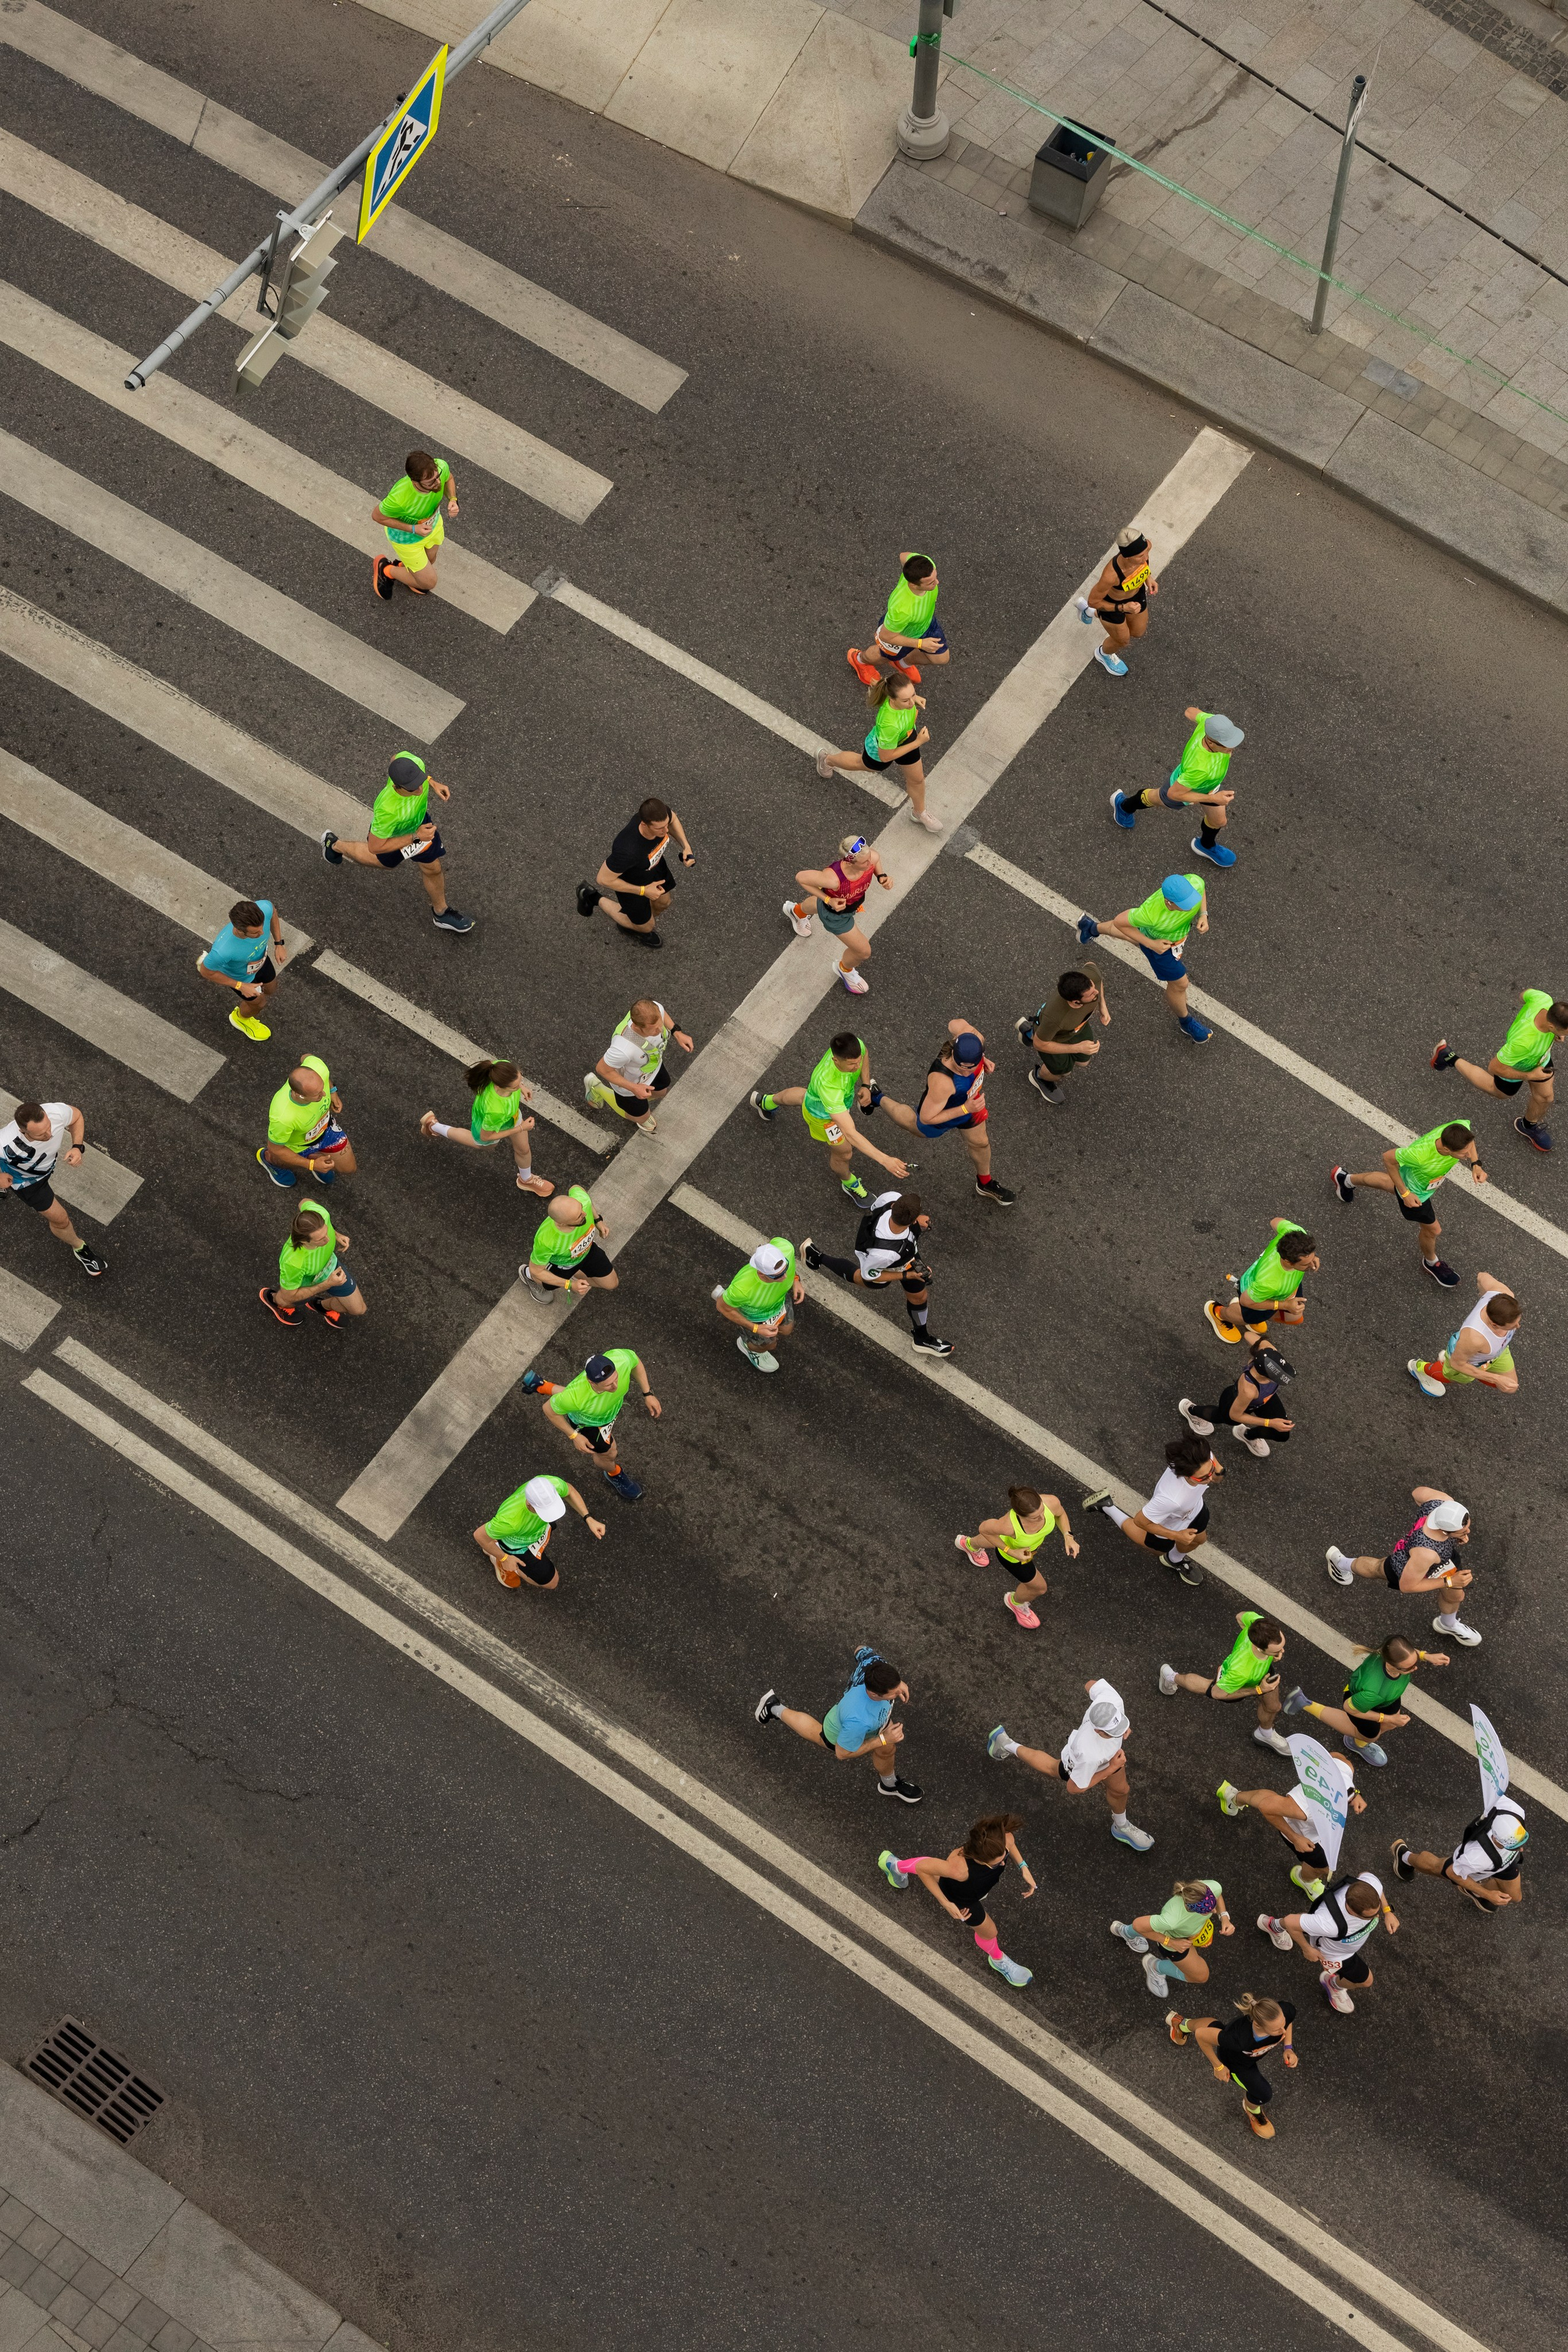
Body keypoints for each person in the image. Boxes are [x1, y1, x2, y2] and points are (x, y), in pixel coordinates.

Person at [987, 1678, 1153, 1849]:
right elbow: (1074, 1788)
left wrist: (1122, 1726)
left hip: (1112, 1759)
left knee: (1121, 1790)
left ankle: (1121, 1826)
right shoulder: (1088, 1754)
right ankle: (1006, 1744)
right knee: (1053, 1768)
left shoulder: (1113, 1700)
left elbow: (1090, 1684)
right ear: (1098, 1731)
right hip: (1083, 1761)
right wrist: (1110, 1769)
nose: (1120, 1733)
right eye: (1114, 1731)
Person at [322, 750, 474, 933]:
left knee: (433, 868)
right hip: (394, 837)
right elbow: (375, 846)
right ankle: (335, 845)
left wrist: (432, 782)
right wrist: (415, 837)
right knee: (381, 862)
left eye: (420, 781)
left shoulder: (413, 763)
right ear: (397, 786)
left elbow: (395, 758)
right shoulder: (387, 809)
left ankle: (441, 913)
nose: (419, 790)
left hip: (420, 826)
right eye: (412, 788)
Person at [750, 1032, 910, 1206]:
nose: (857, 1066)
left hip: (818, 1097)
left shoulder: (853, 1046)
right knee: (845, 1153)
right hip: (824, 1119)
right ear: (836, 1061)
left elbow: (864, 1054)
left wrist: (866, 1084)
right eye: (852, 1064)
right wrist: (885, 1160)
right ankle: (849, 1183)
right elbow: (850, 1133)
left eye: (858, 1061)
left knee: (805, 1096)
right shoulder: (830, 1088)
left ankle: (765, 1102)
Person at [879, 1814, 1035, 1988]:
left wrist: (1024, 1867)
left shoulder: (1002, 1841)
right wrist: (946, 1903)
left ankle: (894, 1866)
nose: (1004, 1861)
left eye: (1003, 1856)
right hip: (962, 1896)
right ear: (981, 1859)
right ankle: (998, 1960)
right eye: (998, 1862)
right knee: (990, 1932)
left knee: (938, 1871)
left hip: (976, 1886)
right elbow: (923, 1870)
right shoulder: (959, 1869)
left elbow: (1010, 1844)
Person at [756, 1644, 921, 1804]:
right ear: (874, 1694)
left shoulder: (874, 1664)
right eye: (894, 1693)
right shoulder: (857, 1720)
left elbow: (861, 1649)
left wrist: (899, 1684)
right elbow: (842, 1754)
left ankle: (889, 1785)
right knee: (818, 1734)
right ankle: (774, 1708)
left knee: (887, 1750)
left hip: (875, 1723)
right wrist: (883, 1739)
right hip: (840, 1731)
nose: (899, 1692)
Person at [1330, 1120, 1486, 1289]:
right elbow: (1388, 1158)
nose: (1468, 1155)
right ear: (1447, 1150)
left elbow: (1470, 1143)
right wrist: (1405, 1193)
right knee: (1433, 1230)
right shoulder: (1420, 1155)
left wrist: (1475, 1164)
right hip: (1416, 1195)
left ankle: (1345, 1180)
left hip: (1414, 1180)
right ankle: (1431, 1263)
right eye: (1464, 1154)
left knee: (1387, 1183)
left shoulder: (1459, 1128)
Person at [874, 1022, 1016, 1207]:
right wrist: (966, 1108)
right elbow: (927, 1117)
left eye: (971, 1068)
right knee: (913, 1123)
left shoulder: (974, 1038)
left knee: (981, 1143)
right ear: (954, 1056)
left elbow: (954, 1023)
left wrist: (984, 1061)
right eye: (961, 1067)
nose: (966, 1072)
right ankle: (876, 1097)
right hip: (942, 1112)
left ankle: (985, 1182)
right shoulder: (942, 1082)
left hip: (969, 1105)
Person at [802, 1188, 954, 1356]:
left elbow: (876, 1209)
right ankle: (816, 1256)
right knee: (860, 1277)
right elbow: (870, 1274)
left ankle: (921, 1338)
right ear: (911, 1223)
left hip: (904, 1257)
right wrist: (907, 1275)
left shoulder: (892, 1198)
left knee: (919, 1296)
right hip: (882, 1265)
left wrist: (917, 1219)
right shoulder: (885, 1254)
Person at [1326, 1488, 1481, 1647]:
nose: (1468, 1532)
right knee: (1377, 1568)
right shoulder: (1425, 1554)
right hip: (1406, 1564)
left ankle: (1447, 1624)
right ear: (1444, 1530)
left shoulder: (1442, 1501)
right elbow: (1407, 1586)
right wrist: (1449, 1581)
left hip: (1443, 1560)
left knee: (1456, 1596)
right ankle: (1339, 1563)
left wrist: (1456, 1537)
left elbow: (1417, 1493)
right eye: (1463, 1531)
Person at [1077, 875, 1212, 1044]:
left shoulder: (1195, 884)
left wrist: (1203, 914)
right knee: (1180, 984)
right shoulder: (1149, 914)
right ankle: (1186, 1022)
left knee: (1134, 936)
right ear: (1169, 902)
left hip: (1174, 935)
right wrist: (1152, 944)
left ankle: (1090, 928)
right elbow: (1120, 922)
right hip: (1161, 948)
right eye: (1185, 905)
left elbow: (1201, 891)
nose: (1192, 905)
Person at [1431, 989, 1568, 1153]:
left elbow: (1524, 995)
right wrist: (1530, 1075)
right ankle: (1449, 1057)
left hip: (1540, 1059)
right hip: (1517, 1065)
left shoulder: (1544, 999)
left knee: (1545, 1097)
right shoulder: (1523, 1043)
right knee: (1499, 1092)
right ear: (1551, 1025)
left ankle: (1528, 1126)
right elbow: (1495, 1067)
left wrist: (1555, 1034)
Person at [1283, 1635, 1450, 1768]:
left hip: (1387, 1698)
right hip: (1363, 1704)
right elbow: (1350, 1708)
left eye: (1415, 1661)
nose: (1415, 1668)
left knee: (1391, 1725)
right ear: (1393, 1666)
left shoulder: (1390, 1652)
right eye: (1409, 1667)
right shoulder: (1373, 1689)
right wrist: (1388, 1718)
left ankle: (1362, 1741)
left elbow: (1406, 1652)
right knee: (1372, 1735)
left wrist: (1425, 1656)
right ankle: (1306, 1704)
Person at [1216, 1752, 1365, 1902]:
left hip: (1311, 1825)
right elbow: (1267, 1808)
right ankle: (1305, 1880)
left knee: (1273, 1799)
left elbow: (1334, 1757)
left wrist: (1355, 1794)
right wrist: (1295, 1838)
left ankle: (1234, 1797)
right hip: (1306, 1836)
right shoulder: (1304, 1809)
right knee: (1324, 1868)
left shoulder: (1344, 1770)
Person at [1082, 1433, 1222, 1587]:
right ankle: (1107, 1507)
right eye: (1202, 1478)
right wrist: (1176, 1535)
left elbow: (1212, 1461)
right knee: (1156, 1547)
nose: (1210, 1479)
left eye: (1211, 1470)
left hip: (1195, 1511)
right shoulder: (1171, 1499)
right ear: (1185, 1474)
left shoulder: (1202, 1455)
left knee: (1200, 1540)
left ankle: (1174, 1560)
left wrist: (1218, 1469)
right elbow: (1140, 1521)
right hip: (1170, 1525)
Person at [1112, 708, 1244, 867]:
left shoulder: (1209, 723)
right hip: (1185, 787)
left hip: (1210, 785)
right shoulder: (1200, 768)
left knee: (1219, 821)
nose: (1232, 748)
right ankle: (1123, 806)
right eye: (1227, 745)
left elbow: (1190, 712)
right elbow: (1174, 793)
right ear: (1211, 742)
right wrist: (1212, 799)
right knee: (1156, 798)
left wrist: (1224, 749)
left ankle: (1206, 846)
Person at [1257, 1871, 1398, 2015]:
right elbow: (1290, 1922)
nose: (1377, 1916)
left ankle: (1272, 1925)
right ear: (1353, 1912)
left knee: (1305, 1923)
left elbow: (1367, 1875)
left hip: (1326, 1928)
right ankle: (1333, 1984)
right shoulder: (1329, 1924)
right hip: (1337, 1954)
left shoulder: (1370, 1887)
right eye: (1370, 1916)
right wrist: (1307, 1949)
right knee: (1366, 1981)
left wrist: (1387, 1911)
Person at [815, 675, 941, 834]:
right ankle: (827, 760)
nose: (911, 703)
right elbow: (886, 757)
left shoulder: (899, 697)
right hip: (881, 750)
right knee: (860, 764)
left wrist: (913, 699)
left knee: (917, 779)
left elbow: (886, 684)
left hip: (906, 737)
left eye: (913, 695)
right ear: (892, 699)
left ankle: (919, 813)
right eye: (905, 700)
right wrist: (918, 743)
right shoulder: (889, 724)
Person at [536, 1348, 660, 1502]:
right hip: (590, 1424)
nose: (615, 1387)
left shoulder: (621, 1359)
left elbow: (635, 1362)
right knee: (609, 1453)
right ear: (591, 1382)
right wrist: (574, 1435)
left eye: (616, 1379)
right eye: (608, 1385)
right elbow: (549, 1410)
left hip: (609, 1412)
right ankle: (614, 1474)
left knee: (577, 1400)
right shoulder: (575, 1396)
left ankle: (542, 1386)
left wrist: (648, 1394)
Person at [0, 1099, 107, 1277]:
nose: (49, 1135)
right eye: (41, 1135)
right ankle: (80, 1248)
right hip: (27, 1183)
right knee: (61, 1220)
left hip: (46, 1167)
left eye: (49, 1127)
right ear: (23, 1132)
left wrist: (77, 1147)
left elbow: (77, 1117)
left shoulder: (55, 1112)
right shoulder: (4, 1141)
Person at [1166, 1995, 1296, 2139]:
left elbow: (1288, 2021)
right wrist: (1219, 2067)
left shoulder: (1285, 2011)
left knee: (1216, 2028)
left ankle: (1181, 2024)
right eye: (1277, 2030)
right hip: (1236, 2063)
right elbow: (1201, 2035)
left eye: (1282, 2024)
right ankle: (1252, 2109)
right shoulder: (1239, 2040)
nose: (1283, 2032)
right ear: (1258, 2025)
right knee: (1263, 2094)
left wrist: (1288, 2047)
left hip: (1232, 2038)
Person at [1159, 1611, 1291, 1753]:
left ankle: (1265, 1734)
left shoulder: (1259, 1624)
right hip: (1239, 1680)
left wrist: (1272, 1654)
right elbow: (1217, 1694)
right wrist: (1259, 1689)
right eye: (1276, 1651)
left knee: (1274, 1707)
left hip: (1261, 1671)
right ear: (1260, 1648)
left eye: (1281, 1645)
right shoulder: (1240, 1671)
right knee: (1209, 1687)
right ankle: (1171, 1677)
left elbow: (1240, 1617)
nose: (1282, 1652)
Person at [419, 1060, 552, 1196]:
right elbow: (486, 1136)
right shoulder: (495, 1110)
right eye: (515, 1087)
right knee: (482, 1144)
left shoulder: (500, 1068)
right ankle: (434, 1126)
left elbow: (512, 1080)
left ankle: (526, 1180)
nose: (519, 1087)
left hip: (511, 1117)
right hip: (491, 1126)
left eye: (520, 1080)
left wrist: (521, 1087)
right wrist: (521, 1128)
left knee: (524, 1150)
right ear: (500, 1086)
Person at [954, 1483, 1079, 1629]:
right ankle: (1015, 1603)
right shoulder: (1007, 1526)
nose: (1041, 1518)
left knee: (1002, 1537)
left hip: (1024, 1545)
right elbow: (985, 1529)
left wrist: (1068, 1536)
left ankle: (969, 1545)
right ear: (1020, 1515)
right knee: (1039, 1588)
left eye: (1042, 1511)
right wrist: (1012, 1552)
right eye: (1034, 1518)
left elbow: (1060, 1514)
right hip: (1014, 1558)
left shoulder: (1051, 1502)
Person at [576, 797, 695, 947]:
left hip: (653, 867)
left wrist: (686, 847)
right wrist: (644, 891)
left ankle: (636, 921)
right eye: (660, 829)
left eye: (666, 826)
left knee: (664, 903)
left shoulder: (659, 817)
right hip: (633, 882)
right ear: (644, 824)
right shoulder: (628, 851)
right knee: (647, 926)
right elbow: (603, 879)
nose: (666, 831)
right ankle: (591, 896)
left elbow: (673, 819)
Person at [783, 834, 891, 997]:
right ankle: (844, 970)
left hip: (850, 903)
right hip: (837, 916)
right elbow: (801, 878)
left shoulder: (871, 858)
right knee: (863, 952)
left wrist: (882, 876)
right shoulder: (832, 879)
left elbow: (875, 860)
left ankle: (796, 912)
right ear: (850, 862)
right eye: (865, 862)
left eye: (870, 858)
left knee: (819, 904)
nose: (870, 864)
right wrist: (828, 899)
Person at [1391, 1797, 1528, 1913]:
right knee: (1436, 1866)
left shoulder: (1515, 1811)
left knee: (1514, 1897)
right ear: (1497, 1839)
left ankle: (1474, 1891)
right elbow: (1453, 1872)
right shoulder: (1475, 1858)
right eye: (1514, 1846)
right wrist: (1488, 1894)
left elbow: (1495, 1793)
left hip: (1504, 1863)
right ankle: (1404, 1856)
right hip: (1472, 1865)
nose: (1521, 1849)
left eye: (1521, 1840)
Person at [472, 1472, 605, 1591]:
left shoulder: (547, 1485)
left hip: (534, 1531)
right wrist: (505, 1558)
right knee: (551, 1583)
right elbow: (480, 1536)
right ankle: (498, 1556)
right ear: (529, 1504)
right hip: (519, 1547)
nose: (553, 1514)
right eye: (545, 1511)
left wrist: (588, 1518)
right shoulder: (509, 1521)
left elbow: (570, 1490)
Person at [1111, 1877, 1233, 1999]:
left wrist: (1224, 1917)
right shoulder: (1172, 1920)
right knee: (1200, 1976)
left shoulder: (1211, 1888)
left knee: (1149, 1926)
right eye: (1208, 1911)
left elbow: (1218, 1895)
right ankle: (1154, 1967)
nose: (1214, 1910)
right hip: (1176, 1941)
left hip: (1189, 1933)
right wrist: (1171, 1942)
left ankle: (1124, 1932)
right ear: (1193, 1910)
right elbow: (1139, 1925)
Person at [1179, 1333, 1295, 1460]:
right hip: (1234, 1403)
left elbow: (1248, 1334)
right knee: (1220, 1416)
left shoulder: (1268, 1353)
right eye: (1275, 1378)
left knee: (1282, 1434)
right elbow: (1235, 1415)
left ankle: (1248, 1435)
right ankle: (1191, 1411)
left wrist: (1260, 1346)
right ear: (1264, 1375)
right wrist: (1270, 1423)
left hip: (1265, 1398)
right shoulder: (1249, 1390)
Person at [1203, 1217, 1318, 1344]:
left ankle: (1256, 1317)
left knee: (1295, 1317)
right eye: (1306, 1264)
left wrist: (1311, 1259)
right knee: (1246, 1317)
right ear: (1289, 1261)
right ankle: (1219, 1314)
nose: (1312, 1265)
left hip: (1284, 1289)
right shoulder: (1269, 1283)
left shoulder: (1294, 1233)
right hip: (1257, 1295)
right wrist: (1284, 1305)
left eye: (1313, 1256)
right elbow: (1246, 1301)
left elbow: (1274, 1221)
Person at [584, 999, 693, 1134]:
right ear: (637, 1027)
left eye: (660, 1025)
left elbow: (663, 1014)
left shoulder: (654, 1009)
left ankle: (640, 1107)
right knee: (643, 1117)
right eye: (654, 1029)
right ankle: (597, 1088)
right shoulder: (622, 1049)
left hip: (652, 1068)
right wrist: (635, 1088)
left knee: (661, 1092)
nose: (660, 1030)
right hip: (630, 1085)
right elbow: (602, 1069)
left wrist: (677, 1032)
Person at [1408, 1273, 1521, 1402]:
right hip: (1468, 1362)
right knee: (1454, 1375)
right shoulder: (1475, 1338)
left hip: (1497, 1352)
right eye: (1512, 1326)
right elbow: (1458, 1364)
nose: (1518, 1326)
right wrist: (1494, 1378)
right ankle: (1419, 1368)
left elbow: (1481, 1276)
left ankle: (1460, 1358)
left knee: (1511, 1386)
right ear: (1494, 1324)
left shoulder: (1503, 1292)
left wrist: (1482, 1293)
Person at [1014, 963, 1109, 1107]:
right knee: (1064, 1072)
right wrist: (1078, 1048)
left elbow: (1094, 970)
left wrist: (1103, 1007)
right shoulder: (1056, 1018)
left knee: (1083, 1062)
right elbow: (1039, 1045)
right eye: (1091, 994)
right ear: (1076, 1002)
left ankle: (1031, 1032)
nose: (1096, 992)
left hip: (1076, 1028)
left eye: (1093, 987)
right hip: (1055, 1037)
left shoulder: (1089, 979)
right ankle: (1039, 1077)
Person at [848, 551, 949, 686]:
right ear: (914, 585)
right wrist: (920, 644)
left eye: (935, 577)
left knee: (941, 659)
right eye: (931, 583)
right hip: (901, 634)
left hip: (926, 623)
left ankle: (902, 663)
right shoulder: (902, 610)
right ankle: (859, 660)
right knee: (882, 656)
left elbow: (903, 556)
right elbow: (886, 636)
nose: (937, 583)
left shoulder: (924, 563)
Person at [259, 1198, 364, 1328]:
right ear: (304, 1241)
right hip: (306, 1283)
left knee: (359, 1309)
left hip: (331, 1268)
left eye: (327, 1232)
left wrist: (337, 1234)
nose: (328, 1239)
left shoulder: (321, 1214)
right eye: (321, 1239)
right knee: (286, 1300)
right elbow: (290, 1295)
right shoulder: (293, 1262)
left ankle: (320, 1306)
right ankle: (274, 1300)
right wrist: (327, 1284)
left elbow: (303, 1201)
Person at [257, 1055, 355, 1193]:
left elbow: (306, 1057)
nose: (323, 1094)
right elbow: (276, 1149)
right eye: (317, 1095)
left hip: (326, 1130)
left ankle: (317, 1157)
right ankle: (269, 1161)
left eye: (323, 1087)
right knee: (278, 1158)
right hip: (297, 1146)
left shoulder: (318, 1067)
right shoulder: (283, 1117)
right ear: (300, 1096)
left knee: (349, 1169)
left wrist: (333, 1091)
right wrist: (311, 1165)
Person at [197, 898, 289, 1042]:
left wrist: (279, 943)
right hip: (241, 977)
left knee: (271, 989)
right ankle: (240, 1019)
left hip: (261, 962)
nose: (262, 933)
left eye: (262, 927)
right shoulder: (223, 950)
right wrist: (240, 986)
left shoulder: (264, 908)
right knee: (259, 1003)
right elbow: (205, 972)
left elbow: (273, 911)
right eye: (255, 933)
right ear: (240, 930)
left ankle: (212, 964)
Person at [370, 447, 458, 599]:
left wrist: (453, 500)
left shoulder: (440, 467)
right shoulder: (399, 499)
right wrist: (412, 528)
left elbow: (449, 478)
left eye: (438, 477)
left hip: (433, 527)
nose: (438, 484)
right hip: (407, 539)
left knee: (430, 560)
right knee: (429, 582)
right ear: (415, 481)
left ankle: (411, 574)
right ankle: (386, 570)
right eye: (431, 482)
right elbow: (378, 517)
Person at [1074, 524, 1158, 678]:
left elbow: (1145, 561)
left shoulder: (1145, 548)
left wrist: (1148, 578)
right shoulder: (1111, 575)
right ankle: (1103, 654)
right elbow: (1094, 600)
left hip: (1136, 596)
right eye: (1140, 556)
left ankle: (1088, 612)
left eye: (1147, 551)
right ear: (1127, 556)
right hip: (1113, 605)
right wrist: (1123, 607)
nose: (1146, 557)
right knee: (1123, 641)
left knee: (1138, 632)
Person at [713, 1238, 803, 1374]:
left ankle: (730, 1299)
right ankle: (748, 1346)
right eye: (777, 1276)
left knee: (786, 1331)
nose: (785, 1278)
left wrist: (796, 1280)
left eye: (786, 1269)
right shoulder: (743, 1288)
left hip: (779, 1302)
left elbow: (784, 1266)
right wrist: (756, 1328)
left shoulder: (786, 1248)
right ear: (761, 1273)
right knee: (770, 1345)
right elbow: (721, 1307)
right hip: (756, 1317)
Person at [521, 1185, 617, 1298]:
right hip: (563, 1265)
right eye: (579, 1217)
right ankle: (527, 1275)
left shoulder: (582, 1203)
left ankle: (575, 1274)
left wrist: (598, 1221)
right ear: (562, 1224)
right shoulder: (546, 1241)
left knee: (612, 1285)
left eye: (581, 1208)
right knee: (547, 1283)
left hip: (588, 1251)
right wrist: (570, 1285)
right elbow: (536, 1270)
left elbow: (576, 1188)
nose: (585, 1214)